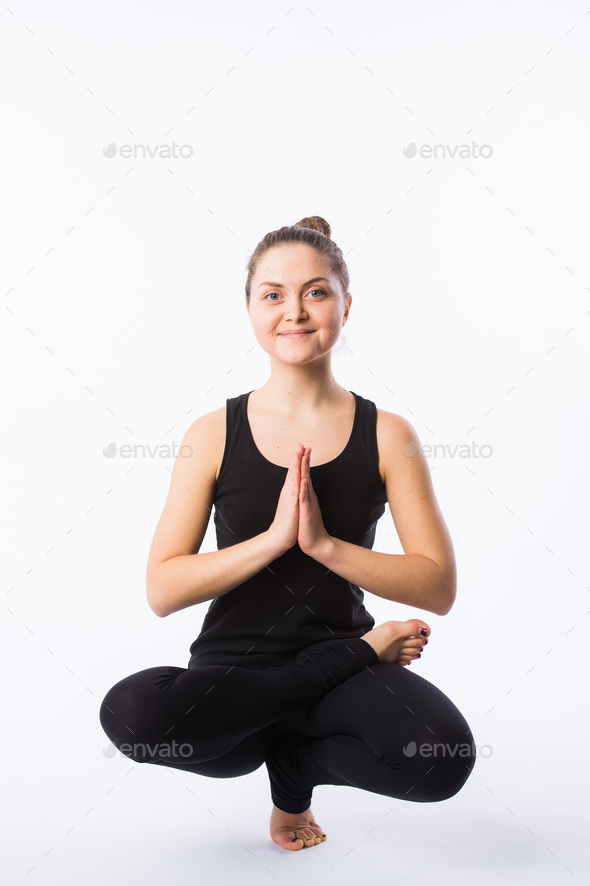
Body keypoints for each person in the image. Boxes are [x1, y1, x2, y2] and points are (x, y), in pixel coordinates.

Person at [99, 216, 476, 852]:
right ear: (249, 308)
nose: (294, 311)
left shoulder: (388, 435)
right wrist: (273, 540)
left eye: (316, 292)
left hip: (344, 678)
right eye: (272, 294)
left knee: (440, 759)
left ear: (345, 305)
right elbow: (162, 589)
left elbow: (436, 586)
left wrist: (325, 546)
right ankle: (306, 704)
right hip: (238, 683)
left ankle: (295, 768)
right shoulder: (212, 434)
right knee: (134, 714)